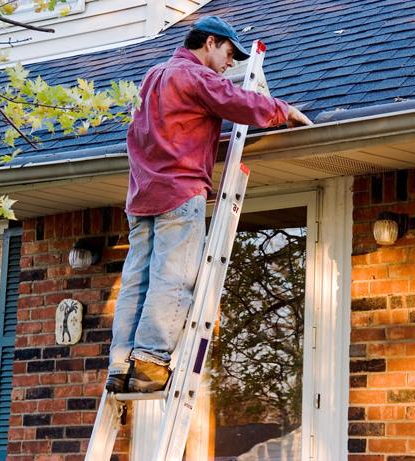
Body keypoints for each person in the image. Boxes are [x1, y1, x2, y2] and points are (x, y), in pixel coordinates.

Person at [106, 15, 312, 393]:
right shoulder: (194, 76)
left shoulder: (153, 76)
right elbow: (234, 101)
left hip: (142, 196)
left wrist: (197, 178)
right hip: (178, 195)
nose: (231, 64)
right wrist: (283, 110)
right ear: (211, 43)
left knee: (137, 280)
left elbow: (146, 138)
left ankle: (121, 364)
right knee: (173, 278)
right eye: (230, 53)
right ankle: (151, 362)